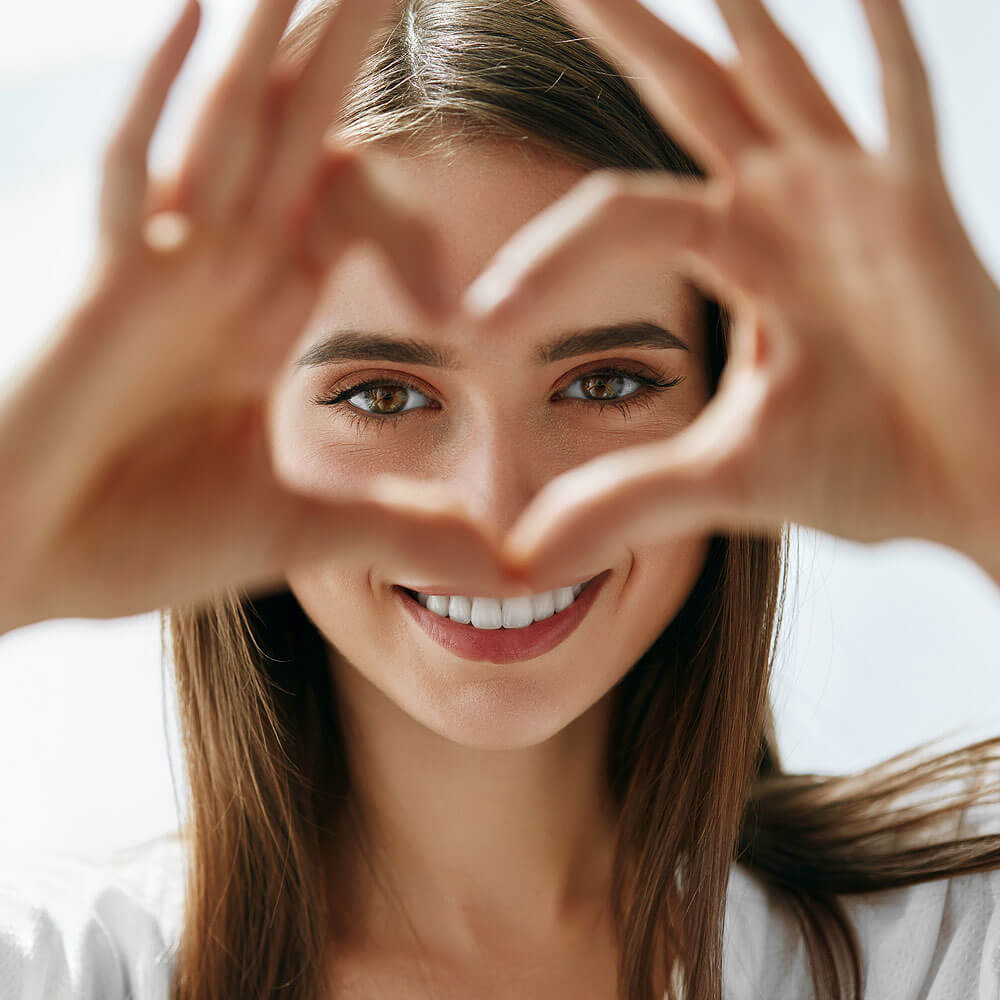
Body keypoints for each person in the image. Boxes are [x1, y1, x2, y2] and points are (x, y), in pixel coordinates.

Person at [1, 0, 999, 998]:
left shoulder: (946, 945)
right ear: (243, 423)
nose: (495, 507)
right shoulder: (61, 968)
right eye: (381, 395)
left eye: (605, 382)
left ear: (728, 393)